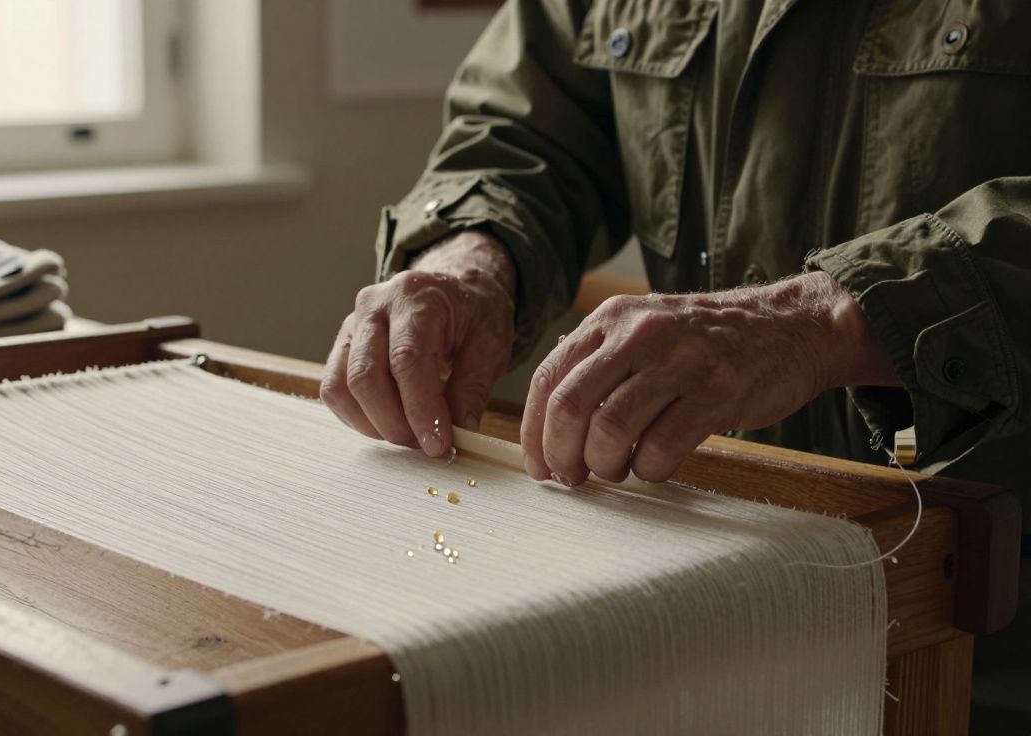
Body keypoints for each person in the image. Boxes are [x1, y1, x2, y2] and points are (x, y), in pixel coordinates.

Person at [321, 1, 1029, 731]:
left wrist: (823, 321)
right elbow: (532, 130)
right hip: (704, 610)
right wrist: (472, 255)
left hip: (988, 644)